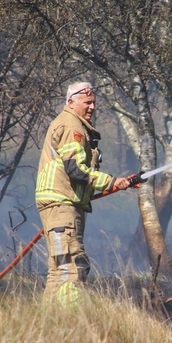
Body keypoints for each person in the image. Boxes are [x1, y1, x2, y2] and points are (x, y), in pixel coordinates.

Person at [35, 81, 137, 305]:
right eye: (87, 102)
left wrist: (118, 183)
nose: (92, 107)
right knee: (73, 267)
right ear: (71, 102)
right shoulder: (72, 126)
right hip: (62, 203)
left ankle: (47, 324)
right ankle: (69, 323)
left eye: (94, 103)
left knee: (60, 270)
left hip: (64, 203)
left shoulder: (75, 124)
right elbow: (76, 170)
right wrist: (112, 181)